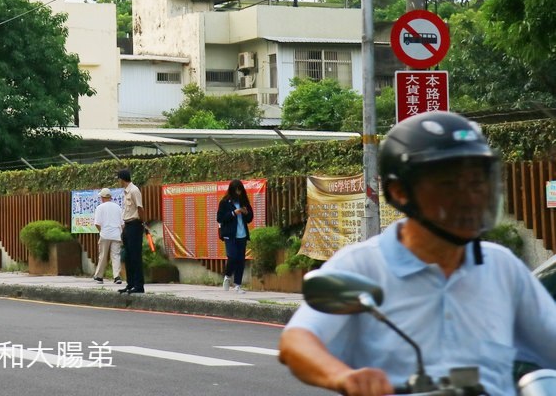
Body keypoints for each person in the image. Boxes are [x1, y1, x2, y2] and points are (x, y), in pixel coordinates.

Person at [279, 111, 556, 396]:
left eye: (477, 183)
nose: (471, 198)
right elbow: (298, 341)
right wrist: (343, 376)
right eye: (449, 184)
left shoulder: (502, 266)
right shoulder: (361, 265)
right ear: (400, 192)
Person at [216, 179, 253, 292]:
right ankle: (227, 277)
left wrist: (246, 213)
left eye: (240, 190)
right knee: (232, 257)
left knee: (240, 260)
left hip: (242, 235)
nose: (238, 193)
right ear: (232, 190)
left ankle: (237, 285)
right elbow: (220, 218)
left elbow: (250, 218)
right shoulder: (224, 202)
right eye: (236, 190)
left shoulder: (244, 202)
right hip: (230, 235)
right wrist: (233, 213)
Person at [115, 168, 145, 294]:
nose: (118, 182)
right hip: (127, 225)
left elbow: (140, 208)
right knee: (127, 256)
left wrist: (142, 223)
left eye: (118, 179)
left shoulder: (134, 190)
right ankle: (130, 284)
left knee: (135, 256)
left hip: (135, 225)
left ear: (122, 179)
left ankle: (139, 286)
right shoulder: (126, 192)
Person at [92, 188, 123, 284]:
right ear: (110, 197)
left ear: (102, 197)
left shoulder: (100, 207)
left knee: (103, 256)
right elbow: (122, 223)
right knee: (116, 256)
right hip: (116, 234)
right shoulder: (118, 207)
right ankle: (117, 276)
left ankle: (99, 276)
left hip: (105, 234)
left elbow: (97, 223)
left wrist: (101, 231)